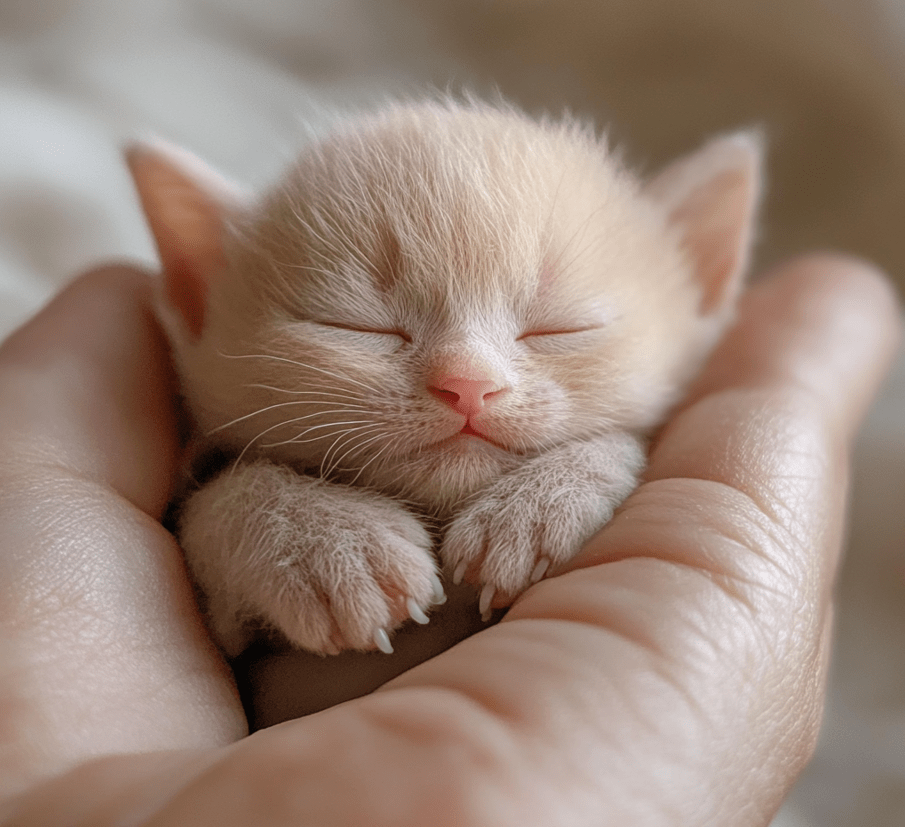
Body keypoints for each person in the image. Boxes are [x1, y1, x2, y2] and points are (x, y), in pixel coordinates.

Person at [0, 254, 898, 826]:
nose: (468, 377)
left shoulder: (640, 431)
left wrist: (596, 463)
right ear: (200, 293)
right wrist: (252, 509)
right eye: (353, 322)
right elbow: (191, 534)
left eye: (559, 329)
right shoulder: (211, 459)